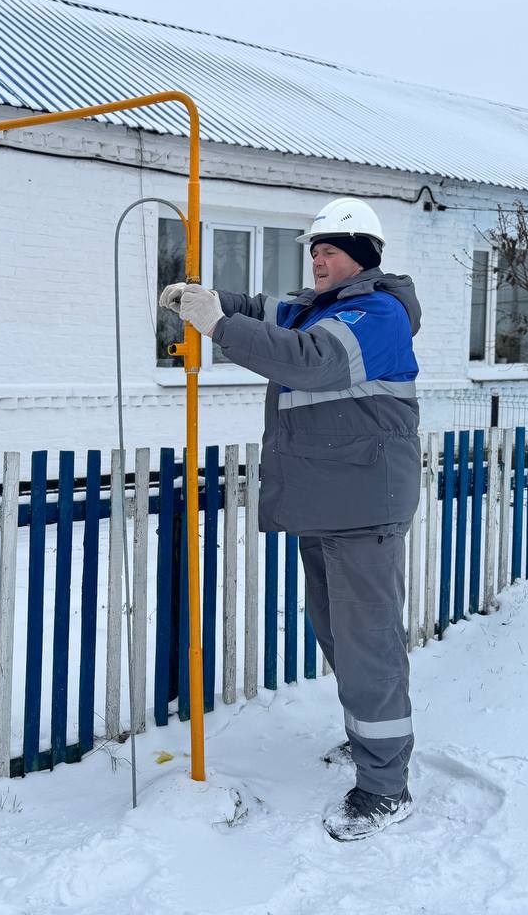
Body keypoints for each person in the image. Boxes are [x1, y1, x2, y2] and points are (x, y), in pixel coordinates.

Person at [160, 196, 422, 841]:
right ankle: (369, 743)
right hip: (329, 500)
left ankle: (386, 786)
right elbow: (261, 310)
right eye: (314, 251)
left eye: (329, 251)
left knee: (368, 646)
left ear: (360, 256)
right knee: (340, 637)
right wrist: (205, 299)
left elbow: (309, 360)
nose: (318, 260)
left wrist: (218, 326)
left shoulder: (376, 314)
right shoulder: (318, 306)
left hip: (363, 506)